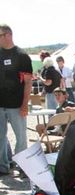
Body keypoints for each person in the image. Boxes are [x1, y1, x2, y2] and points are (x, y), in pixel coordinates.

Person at [0, 24, 32, 175]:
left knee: (21, 138)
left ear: (7, 35)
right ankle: (3, 167)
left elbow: (28, 82)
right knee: (0, 137)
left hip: (17, 106)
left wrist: (25, 104)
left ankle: (23, 168)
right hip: (0, 106)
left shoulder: (21, 56)